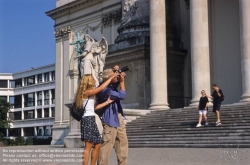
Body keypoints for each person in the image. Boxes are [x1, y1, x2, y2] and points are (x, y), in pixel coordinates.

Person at [74, 73, 118, 165]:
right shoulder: (86, 92)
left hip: (91, 119)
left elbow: (94, 108)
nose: (94, 80)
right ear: (88, 81)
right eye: (92, 79)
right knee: (88, 146)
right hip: (87, 120)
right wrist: (110, 79)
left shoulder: (89, 93)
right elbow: (101, 88)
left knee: (98, 144)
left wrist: (107, 102)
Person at [97, 68, 128, 165]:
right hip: (110, 118)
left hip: (118, 116)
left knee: (123, 142)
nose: (117, 77)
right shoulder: (106, 90)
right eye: (115, 76)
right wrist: (122, 82)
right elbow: (122, 95)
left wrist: (118, 71)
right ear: (108, 79)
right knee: (107, 144)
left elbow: (124, 75)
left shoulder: (112, 85)